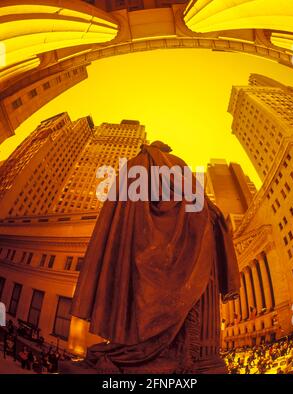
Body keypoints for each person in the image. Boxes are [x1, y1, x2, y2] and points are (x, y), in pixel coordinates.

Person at [61, 141, 240, 374]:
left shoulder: (135, 166)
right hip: (190, 235)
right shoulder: (175, 165)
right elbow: (196, 198)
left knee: (142, 288)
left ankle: (141, 342)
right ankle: (178, 352)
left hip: (139, 244)